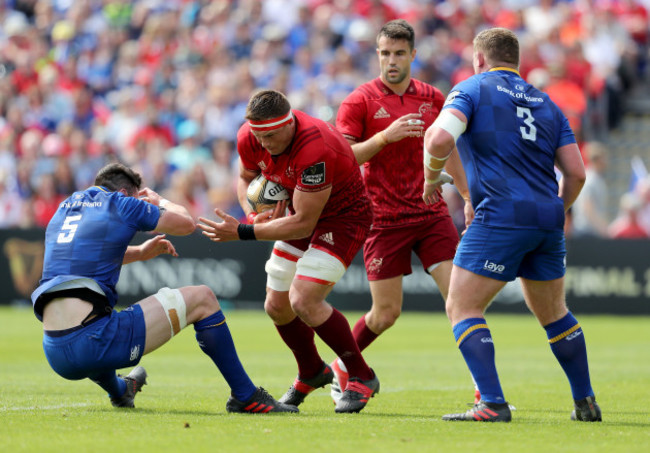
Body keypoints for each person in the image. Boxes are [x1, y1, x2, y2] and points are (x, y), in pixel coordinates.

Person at [422, 27, 601, 422]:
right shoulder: (548, 103)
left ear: (479, 58)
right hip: (547, 218)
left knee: (462, 305)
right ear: (516, 61)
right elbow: (576, 174)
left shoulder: (472, 89)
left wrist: (431, 176)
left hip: (500, 215)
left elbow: (437, 141)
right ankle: (585, 402)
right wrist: (555, 210)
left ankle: (491, 402)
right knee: (555, 315)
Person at [32, 163, 297, 414]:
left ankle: (121, 390)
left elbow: (83, 257)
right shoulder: (121, 203)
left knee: (104, 318)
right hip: (92, 340)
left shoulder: (65, 208)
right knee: (203, 298)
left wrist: (139, 252)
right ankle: (246, 396)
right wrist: (160, 201)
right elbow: (186, 224)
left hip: (53, 349)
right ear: (126, 193)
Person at [197, 89, 379, 413]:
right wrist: (252, 215)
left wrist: (243, 231)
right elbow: (245, 178)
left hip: (342, 218)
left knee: (304, 299)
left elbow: (304, 224)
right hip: (298, 213)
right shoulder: (250, 136)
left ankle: (361, 375)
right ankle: (312, 371)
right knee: (277, 305)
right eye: (257, 135)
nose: (263, 143)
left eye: (269, 135)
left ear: (289, 123)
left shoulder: (314, 148)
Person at [332, 19, 475, 403]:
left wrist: (465, 195)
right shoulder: (359, 100)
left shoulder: (433, 97)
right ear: (376, 55)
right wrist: (384, 136)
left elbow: (450, 149)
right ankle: (342, 367)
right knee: (385, 315)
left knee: (460, 301)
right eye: (384, 53)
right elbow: (341, 157)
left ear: (413, 55)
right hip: (382, 218)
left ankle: (486, 393)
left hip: (431, 215)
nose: (391, 61)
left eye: (398, 53)